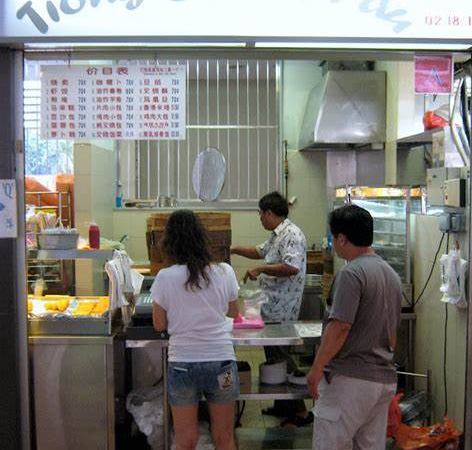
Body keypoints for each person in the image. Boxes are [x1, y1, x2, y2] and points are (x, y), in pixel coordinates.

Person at [307, 204, 402, 450]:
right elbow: (393, 333)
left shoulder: (352, 274)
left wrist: (316, 369)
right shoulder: (390, 274)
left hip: (351, 380)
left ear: (341, 238)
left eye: (333, 237)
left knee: (331, 443)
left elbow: (340, 327)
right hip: (383, 379)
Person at [151, 210, 240, 450]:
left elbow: (159, 324)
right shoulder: (225, 271)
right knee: (225, 438)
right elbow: (233, 312)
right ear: (203, 238)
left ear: (169, 242)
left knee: (185, 441)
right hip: (222, 364)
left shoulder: (164, 277)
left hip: (183, 365)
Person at [231, 191, 309, 426]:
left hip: (283, 307)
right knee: (273, 355)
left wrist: (261, 270)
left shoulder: (291, 235)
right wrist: (232, 249)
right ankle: (282, 405)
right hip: (271, 305)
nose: (260, 219)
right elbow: (259, 251)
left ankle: (301, 410)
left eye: (261, 215)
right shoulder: (278, 235)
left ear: (269, 213)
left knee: (281, 354)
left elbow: (291, 267)